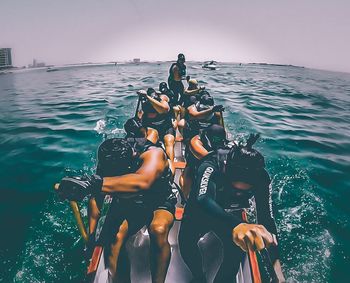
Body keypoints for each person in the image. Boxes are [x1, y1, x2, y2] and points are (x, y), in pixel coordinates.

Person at [57, 137, 178, 283]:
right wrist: (91, 238)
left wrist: (93, 183)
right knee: (115, 239)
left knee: (158, 229)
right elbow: (96, 199)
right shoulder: (109, 160)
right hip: (131, 203)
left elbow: (143, 182)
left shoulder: (153, 154)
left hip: (159, 199)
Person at [179, 134, 285, 283]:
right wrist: (239, 225)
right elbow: (203, 199)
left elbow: (266, 218)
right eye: (236, 184)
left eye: (246, 188)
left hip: (226, 213)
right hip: (203, 206)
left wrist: (277, 271)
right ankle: (199, 277)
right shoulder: (211, 163)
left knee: (236, 252)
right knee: (186, 241)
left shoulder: (261, 178)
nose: (240, 190)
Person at [138, 88, 176, 162]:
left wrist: (147, 96)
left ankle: (171, 164)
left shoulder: (162, 100)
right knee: (148, 142)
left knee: (169, 141)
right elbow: (139, 119)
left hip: (166, 128)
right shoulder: (143, 107)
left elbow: (165, 109)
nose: (152, 115)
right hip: (152, 130)